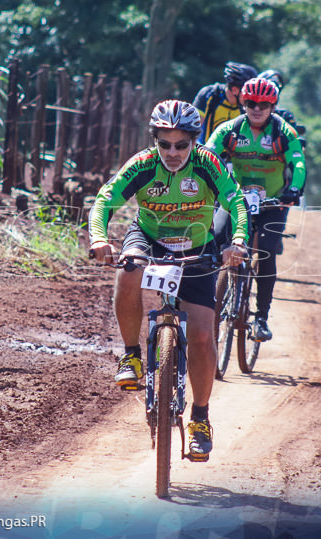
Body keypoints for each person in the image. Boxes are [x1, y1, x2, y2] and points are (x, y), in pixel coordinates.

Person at [88, 100, 248, 462]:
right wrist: (99, 237)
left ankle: (201, 419)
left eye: (181, 145)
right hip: (149, 237)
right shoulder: (143, 164)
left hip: (196, 246)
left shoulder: (208, 164)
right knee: (128, 270)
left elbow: (236, 203)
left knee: (204, 337)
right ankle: (131, 356)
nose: (172, 153)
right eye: (165, 144)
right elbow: (104, 200)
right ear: (155, 141)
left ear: (195, 142)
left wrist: (236, 243)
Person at [205, 77, 306, 342]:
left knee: (267, 251)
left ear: (273, 105)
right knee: (214, 241)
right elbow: (208, 156)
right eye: (251, 103)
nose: (257, 108)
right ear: (243, 103)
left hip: (273, 201)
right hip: (237, 199)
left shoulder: (284, 133)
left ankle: (261, 317)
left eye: (263, 104)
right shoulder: (230, 130)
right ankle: (206, 301)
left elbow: (298, 164)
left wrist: (293, 190)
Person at [193, 62, 258, 143]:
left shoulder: (248, 105)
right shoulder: (210, 95)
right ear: (235, 90)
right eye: (247, 91)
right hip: (206, 152)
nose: (250, 96)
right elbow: (192, 130)